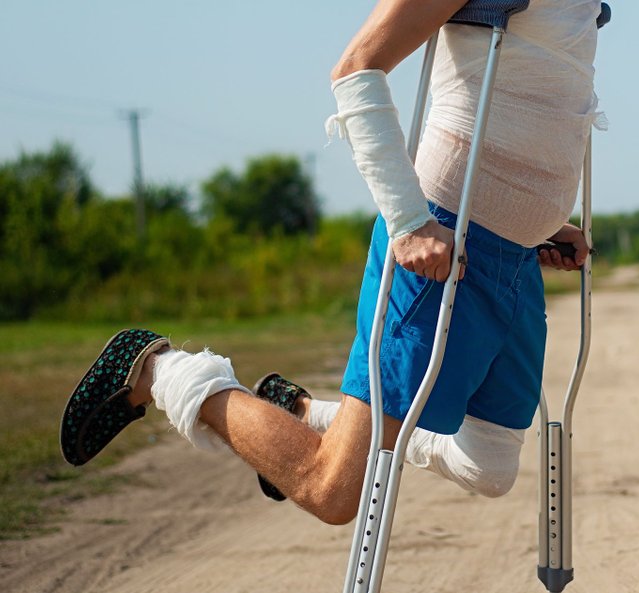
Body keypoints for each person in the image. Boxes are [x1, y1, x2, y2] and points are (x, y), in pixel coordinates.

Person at [60, 0, 602, 526]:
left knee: (489, 465)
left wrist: (540, 222)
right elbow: (355, 69)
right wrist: (410, 223)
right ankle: (163, 370)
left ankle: (298, 413)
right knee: (332, 490)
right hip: (446, 242)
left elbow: (537, 105)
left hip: (511, 255)